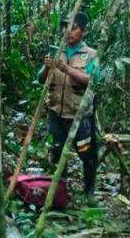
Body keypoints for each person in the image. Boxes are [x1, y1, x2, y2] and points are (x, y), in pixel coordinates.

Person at [39, 12, 100, 195]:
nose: (68, 31)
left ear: (84, 31)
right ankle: (60, 192)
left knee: (86, 154)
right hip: (56, 112)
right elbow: (41, 79)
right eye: (65, 27)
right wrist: (47, 68)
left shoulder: (91, 55)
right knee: (57, 153)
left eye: (73, 28)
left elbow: (92, 79)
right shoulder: (57, 51)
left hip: (79, 114)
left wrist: (66, 69)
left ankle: (89, 191)